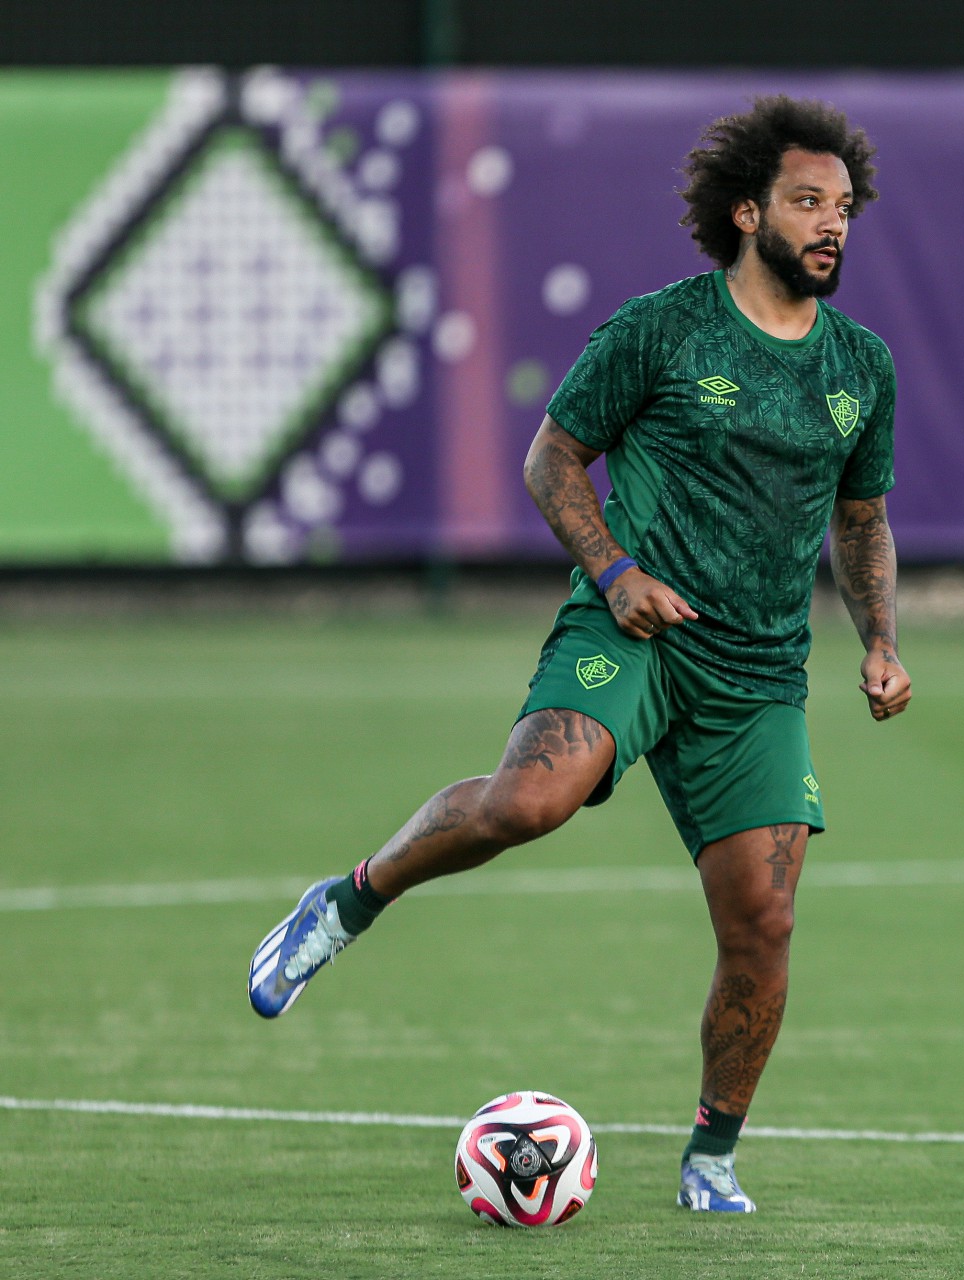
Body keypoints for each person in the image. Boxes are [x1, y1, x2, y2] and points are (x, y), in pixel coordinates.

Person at [247, 96, 910, 1215]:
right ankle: (348, 900)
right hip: (635, 629)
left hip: (757, 673)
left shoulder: (863, 366)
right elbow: (553, 461)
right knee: (528, 802)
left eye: (842, 206)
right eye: (807, 202)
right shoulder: (659, 330)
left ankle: (712, 1154)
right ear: (749, 212)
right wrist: (613, 573)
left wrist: (882, 640)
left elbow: (861, 518)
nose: (830, 224)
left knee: (766, 919)